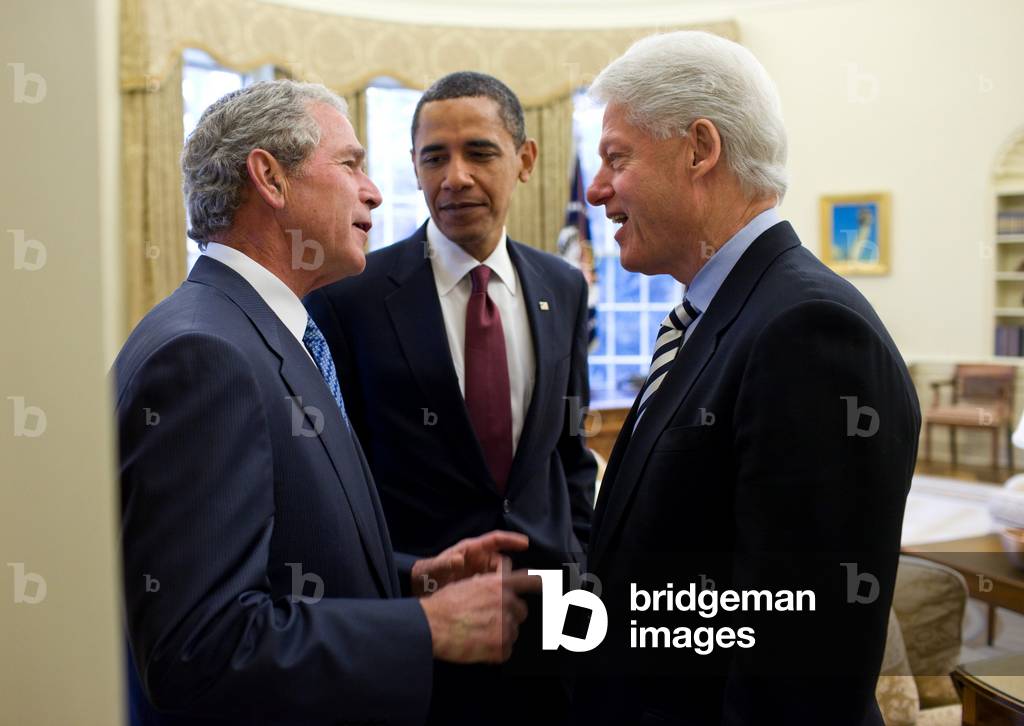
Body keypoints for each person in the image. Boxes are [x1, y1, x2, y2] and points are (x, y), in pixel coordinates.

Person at [114, 79, 538, 726]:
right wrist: (424, 627)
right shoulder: (203, 358)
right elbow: (198, 648)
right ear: (270, 178)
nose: (374, 190)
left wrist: (409, 577)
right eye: (351, 164)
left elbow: (284, 559)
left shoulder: (263, 330)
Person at [571, 31, 921, 725]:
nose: (596, 189)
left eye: (616, 157)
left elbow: (800, 667)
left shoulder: (809, 333)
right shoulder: (720, 312)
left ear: (700, 149)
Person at [305, 71, 597, 725]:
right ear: (413, 167)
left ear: (525, 161)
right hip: (418, 625)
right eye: (434, 157)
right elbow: (337, 483)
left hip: (550, 622)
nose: (454, 176)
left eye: (480, 152)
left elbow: (571, 453)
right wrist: (410, 578)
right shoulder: (348, 295)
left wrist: (578, 561)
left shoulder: (562, 285)